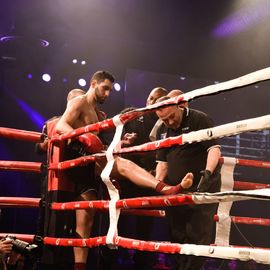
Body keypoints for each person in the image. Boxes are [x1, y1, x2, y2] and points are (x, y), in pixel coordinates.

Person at [55, 71, 194, 270]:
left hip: (90, 165)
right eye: (105, 88)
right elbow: (61, 125)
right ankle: (163, 188)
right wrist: (82, 137)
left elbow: (101, 143)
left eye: (110, 90)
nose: (108, 94)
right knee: (123, 166)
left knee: (86, 222)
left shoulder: (97, 112)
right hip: (78, 160)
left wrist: (121, 142)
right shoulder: (80, 101)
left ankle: (80, 267)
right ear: (93, 84)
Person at [155, 95, 221, 270]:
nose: (169, 121)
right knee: (176, 235)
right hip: (176, 190)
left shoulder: (199, 119)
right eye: (164, 119)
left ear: (179, 106)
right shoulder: (163, 128)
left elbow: (213, 149)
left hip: (202, 187)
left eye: (171, 116)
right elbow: (162, 162)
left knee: (197, 236)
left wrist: (207, 173)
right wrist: (158, 184)